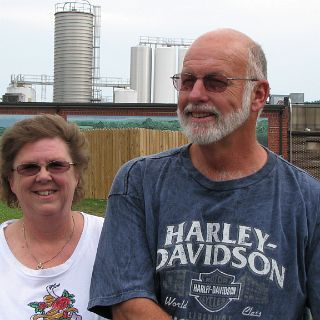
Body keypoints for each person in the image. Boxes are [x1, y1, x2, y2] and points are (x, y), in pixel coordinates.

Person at [88, 28, 320, 320]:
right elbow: (126, 303)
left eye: (215, 82)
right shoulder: (139, 182)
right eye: (187, 81)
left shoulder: (308, 200)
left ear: (258, 94)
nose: (195, 94)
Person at [0, 114, 108, 319]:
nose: (43, 176)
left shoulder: (110, 240)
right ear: (11, 181)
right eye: (29, 167)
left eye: (57, 165)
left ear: (76, 175)